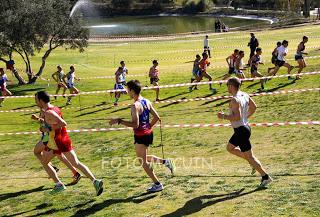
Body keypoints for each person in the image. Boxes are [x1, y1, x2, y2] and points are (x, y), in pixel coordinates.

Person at [32, 91, 104, 195]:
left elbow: (63, 123)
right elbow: (54, 122)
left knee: (45, 162)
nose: (35, 101)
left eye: (36, 99)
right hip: (62, 140)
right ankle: (95, 181)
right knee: (76, 163)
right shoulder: (54, 108)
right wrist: (45, 125)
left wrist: (46, 128)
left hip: (57, 142)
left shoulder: (49, 112)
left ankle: (59, 185)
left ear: (41, 100)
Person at [109, 80, 175, 192]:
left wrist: (119, 121)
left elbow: (135, 124)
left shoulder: (135, 106)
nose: (126, 91)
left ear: (132, 91)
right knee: (145, 157)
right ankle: (166, 162)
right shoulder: (146, 101)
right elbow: (157, 117)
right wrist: (148, 127)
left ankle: (157, 184)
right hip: (148, 134)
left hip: (141, 135)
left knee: (143, 161)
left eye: (127, 89)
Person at [217, 77, 272, 187]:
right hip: (245, 128)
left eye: (227, 85)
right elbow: (254, 107)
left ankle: (265, 177)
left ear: (231, 86)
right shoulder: (244, 94)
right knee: (230, 148)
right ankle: (253, 164)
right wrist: (246, 118)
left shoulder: (234, 100)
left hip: (241, 130)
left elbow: (236, 117)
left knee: (248, 156)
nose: (227, 87)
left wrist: (223, 116)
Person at [31, 110, 81, 185]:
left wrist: (41, 123)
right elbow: (45, 121)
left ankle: (54, 170)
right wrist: (38, 119)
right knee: (59, 156)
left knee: (37, 152)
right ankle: (74, 173)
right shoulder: (46, 110)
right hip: (48, 137)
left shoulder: (46, 110)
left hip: (48, 138)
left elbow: (48, 123)